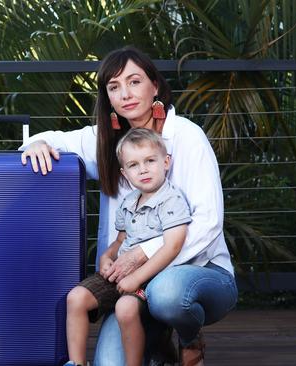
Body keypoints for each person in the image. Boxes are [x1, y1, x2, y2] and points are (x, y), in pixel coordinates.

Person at [20, 46, 238, 366]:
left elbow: (208, 224)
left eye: (134, 82)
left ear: (155, 86)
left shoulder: (188, 138)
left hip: (199, 274)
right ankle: (157, 343)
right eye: (114, 87)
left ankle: (189, 339)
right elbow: (51, 140)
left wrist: (141, 254)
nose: (126, 94)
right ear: (108, 98)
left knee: (166, 294)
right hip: (129, 288)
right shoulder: (108, 142)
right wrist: (36, 144)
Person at [64, 128, 191, 366]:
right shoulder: (129, 202)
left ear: (166, 162)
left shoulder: (171, 200)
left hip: (151, 278)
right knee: (76, 297)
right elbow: (121, 240)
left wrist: (137, 278)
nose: (143, 169)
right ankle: (76, 363)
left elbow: (173, 246)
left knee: (125, 308)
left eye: (150, 161)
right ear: (124, 173)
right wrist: (107, 256)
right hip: (120, 273)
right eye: (133, 165)